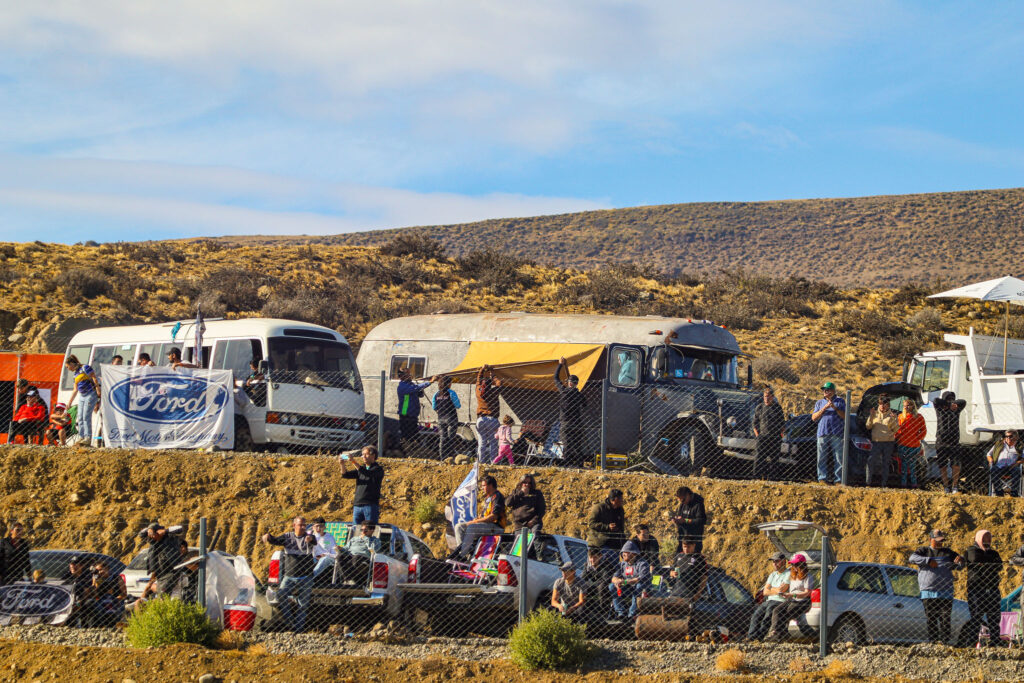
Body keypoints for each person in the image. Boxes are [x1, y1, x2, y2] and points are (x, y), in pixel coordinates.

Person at [262, 516, 317, 631]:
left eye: (304, 525)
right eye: (300, 525)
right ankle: (291, 622)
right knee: (280, 596)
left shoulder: (308, 537)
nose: (302, 527)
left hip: (306, 578)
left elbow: (313, 540)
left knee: (303, 606)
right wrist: (268, 536)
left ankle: (298, 630)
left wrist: (310, 540)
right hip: (289, 577)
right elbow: (276, 540)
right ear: (294, 526)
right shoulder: (288, 537)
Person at [909, 529, 964, 644]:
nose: (940, 543)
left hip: (946, 592)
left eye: (941, 541)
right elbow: (912, 558)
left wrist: (960, 562)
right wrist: (928, 561)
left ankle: (945, 642)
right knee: (931, 618)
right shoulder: (923, 551)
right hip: (928, 592)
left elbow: (959, 566)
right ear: (931, 540)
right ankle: (933, 642)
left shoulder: (948, 553)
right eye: (937, 541)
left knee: (945, 619)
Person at [959, 530, 1004, 647]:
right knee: (976, 618)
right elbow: (974, 559)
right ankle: (971, 644)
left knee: (994, 618)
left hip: (992, 589)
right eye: (985, 538)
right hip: (976, 590)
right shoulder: (971, 550)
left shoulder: (994, 553)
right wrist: (987, 564)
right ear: (979, 538)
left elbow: (999, 565)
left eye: (989, 538)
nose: (987, 541)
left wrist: (983, 564)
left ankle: (995, 642)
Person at [453, 475, 507, 559]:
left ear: (490, 485)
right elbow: (484, 515)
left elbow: (493, 517)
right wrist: (477, 519)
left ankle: (462, 556)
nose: (481, 488)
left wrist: (475, 522)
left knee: (472, 527)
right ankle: (462, 550)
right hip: (486, 526)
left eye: (483, 486)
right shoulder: (487, 498)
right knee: (459, 527)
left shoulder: (497, 497)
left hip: (496, 527)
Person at [765, 554, 815, 641]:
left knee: (784, 615)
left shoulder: (808, 577)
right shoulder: (793, 575)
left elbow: (807, 593)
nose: (793, 567)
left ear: (802, 565)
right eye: (792, 564)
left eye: (795, 564)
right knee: (776, 610)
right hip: (792, 599)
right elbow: (789, 590)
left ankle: (777, 635)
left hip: (802, 601)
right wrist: (785, 593)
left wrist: (793, 595)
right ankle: (775, 633)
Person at [746, 551, 790, 641]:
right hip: (769, 600)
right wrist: (776, 589)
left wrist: (772, 589)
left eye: (777, 561)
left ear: (783, 561)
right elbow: (765, 592)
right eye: (773, 561)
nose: (774, 564)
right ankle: (751, 638)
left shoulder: (788, 574)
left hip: (780, 601)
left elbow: (782, 590)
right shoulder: (772, 575)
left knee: (767, 617)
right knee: (756, 615)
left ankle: (758, 638)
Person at [554, 357, 587, 467]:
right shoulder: (579, 395)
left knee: (566, 443)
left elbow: (555, 378)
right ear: (576, 384)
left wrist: (560, 365)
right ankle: (579, 464)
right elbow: (585, 405)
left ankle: (566, 463)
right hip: (577, 421)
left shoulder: (563, 391)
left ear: (568, 383)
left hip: (565, 422)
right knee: (577, 443)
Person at [339, 445, 385, 523]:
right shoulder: (360, 469)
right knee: (356, 529)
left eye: (366, 454)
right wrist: (342, 464)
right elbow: (345, 475)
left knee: (370, 528)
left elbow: (367, 473)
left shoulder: (378, 469)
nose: (363, 456)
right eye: (362, 454)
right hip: (358, 505)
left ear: (373, 455)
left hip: (370, 504)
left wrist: (353, 461)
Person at [811, 381, 846, 485]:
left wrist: (835, 408)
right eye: (824, 390)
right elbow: (813, 418)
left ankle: (838, 480)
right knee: (821, 457)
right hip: (823, 433)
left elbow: (844, 416)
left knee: (838, 458)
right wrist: (824, 408)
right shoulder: (819, 403)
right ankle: (822, 478)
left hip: (837, 433)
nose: (826, 392)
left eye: (828, 390)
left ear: (833, 391)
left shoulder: (840, 401)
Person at [934, 391, 967, 494]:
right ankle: (946, 486)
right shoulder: (939, 408)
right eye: (948, 399)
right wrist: (947, 405)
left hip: (954, 441)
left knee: (956, 465)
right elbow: (935, 400)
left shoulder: (956, 409)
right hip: (941, 441)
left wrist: (953, 405)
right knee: (942, 465)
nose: (951, 401)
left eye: (952, 399)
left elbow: (963, 402)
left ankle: (955, 486)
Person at [65, 355, 100, 447]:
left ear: (71, 364)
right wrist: (69, 402)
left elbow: (94, 377)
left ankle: (88, 438)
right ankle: (82, 436)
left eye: (67, 366)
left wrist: (97, 389)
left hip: (90, 393)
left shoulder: (85, 368)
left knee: (86, 416)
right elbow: (75, 389)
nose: (68, 369)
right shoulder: (75, 374)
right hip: (82, 395)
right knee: (80, 416)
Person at [609, 540, 651, 619]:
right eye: (623, 553)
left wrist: (625, 581)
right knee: (612, 586)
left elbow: (641, 578)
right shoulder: (622, 564)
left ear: (633, 553)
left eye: (626, 553)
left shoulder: (642, 563)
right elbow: (614, 577)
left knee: (639, 586)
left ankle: (631, 614)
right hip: (627, 587)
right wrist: (617, 582)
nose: (623, 555)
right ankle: (620, 612)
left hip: (640, 588)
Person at [753, 386, 786, 480]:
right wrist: (758, 435)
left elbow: (782, 424)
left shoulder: (777, 408)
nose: (766, 398)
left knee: (774, 459)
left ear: (772, 397)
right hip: (762, 437)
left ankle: (772, 478)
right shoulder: (759, 407)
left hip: (775, 437)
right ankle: (757, 477)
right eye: (765, 396)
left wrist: (780, 435)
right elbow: (755, 423)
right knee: (759, 458)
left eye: (768, 396)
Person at [865, 396, 899, 487]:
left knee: (886, 463)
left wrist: (893, 420)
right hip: (876, 442)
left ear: (888, 405)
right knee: (870, 461)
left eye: (884, 404)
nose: (882, 406)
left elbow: (895, 429)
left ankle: (884, 484)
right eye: (880, 404)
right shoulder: (874, 414)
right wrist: (871, 416)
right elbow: (868, 426)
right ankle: (868, 482)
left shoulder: (892, 415)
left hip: (888, 443)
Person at [396, 370, 434, 448]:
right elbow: (415, 389)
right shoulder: (402, 386)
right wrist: (430, 382)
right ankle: (407, 447)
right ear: (402, 377)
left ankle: (412, 445)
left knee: (414, 433)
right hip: (405, 413)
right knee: (408, 434)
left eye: (410, 374)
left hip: (413, 413)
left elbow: (420, 394)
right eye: (407, 375)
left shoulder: (411, 385)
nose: (410, 376)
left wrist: (420, 389)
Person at [896, 399, 927, 488]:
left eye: (908, 405)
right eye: (905, 405)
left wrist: (918, 438)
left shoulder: (919, 417)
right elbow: (897, 430)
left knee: (912, 466)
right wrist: (897, 439)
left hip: (914, 445)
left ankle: (913, 484)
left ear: (913, 406)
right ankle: (903, 484)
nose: (906, 407)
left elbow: (923, 430)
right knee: (904, 466)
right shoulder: (901, 416)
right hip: (902, 444)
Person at [581, 545, 616, 624]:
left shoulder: (606, 565)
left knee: (601, 586)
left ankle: (602, 612)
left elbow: (605, 580)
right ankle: (584, 610)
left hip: (605, 588)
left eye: (595, 557)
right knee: (583, 586)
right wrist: (588, 584)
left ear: (600, 556)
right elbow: (583, 578)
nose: (592, 560)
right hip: (594, 586)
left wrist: (590, 583)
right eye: (591, 557)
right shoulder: (587, 565)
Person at [475, 365, 502, 462]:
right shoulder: (494, 391)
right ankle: (493, 462)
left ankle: (481, 461)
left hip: (481, 419)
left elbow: (478, 381)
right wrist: (492, 374)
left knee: (482, 442)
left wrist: (481, 370)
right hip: (492, 419)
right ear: (491, 384)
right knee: (493, 443)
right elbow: (499, 383)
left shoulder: (478, 392)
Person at [90, 559, 128, 627]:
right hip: (101, 601)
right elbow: (95, 595)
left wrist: (117, 599)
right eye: (97, 571)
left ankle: (112, 621)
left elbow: (124, 593)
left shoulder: (117, 578)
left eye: (101, 570)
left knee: (110, 600)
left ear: (107, 569)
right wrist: (95, 582)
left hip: (115, 600)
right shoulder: (97, 579)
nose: (99, 572)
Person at [431, 375, 461, 461]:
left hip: (441, 418)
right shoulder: (451, 392)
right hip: (451, 417)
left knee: (442, 438)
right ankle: (450, 456)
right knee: (451, 438)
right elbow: (458, 405)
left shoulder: (436, 394)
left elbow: (434, 407)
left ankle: (442, 457)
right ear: (448, 384)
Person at [986, 430, 1023, 497]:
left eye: (1010, 436)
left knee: (1017, 470)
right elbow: (989, 454)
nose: (1008, 438)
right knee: (993, 470)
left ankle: (1014, 492)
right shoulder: (999, 444)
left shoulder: (1019, 446)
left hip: (1011, 467)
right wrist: (991, 461)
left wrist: (1017, 463)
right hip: (999, 467)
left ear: (1016, 437)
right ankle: (999, 491)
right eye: (1006, 436)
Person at [670, 486, 706, 553]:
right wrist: (677, 520)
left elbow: (701, 520)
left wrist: (685, 520)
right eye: (680, 501)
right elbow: (680, 517)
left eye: (683, 500)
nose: (682, 502)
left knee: (693, 561)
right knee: (679, 559)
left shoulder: (698, 504)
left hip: (694, 540)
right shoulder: (683, 505)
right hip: (683, 538)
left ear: (688, 495)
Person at [62, 555, 94, 627]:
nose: (73, 566)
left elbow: (87, 592)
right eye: (71, 564)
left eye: (76, 564)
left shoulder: (87, 575)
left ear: (82, 565)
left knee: (89, 603)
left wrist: (78, 603)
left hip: (81, 600)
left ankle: (85, 626)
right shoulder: (66, 575)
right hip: (67, 600)